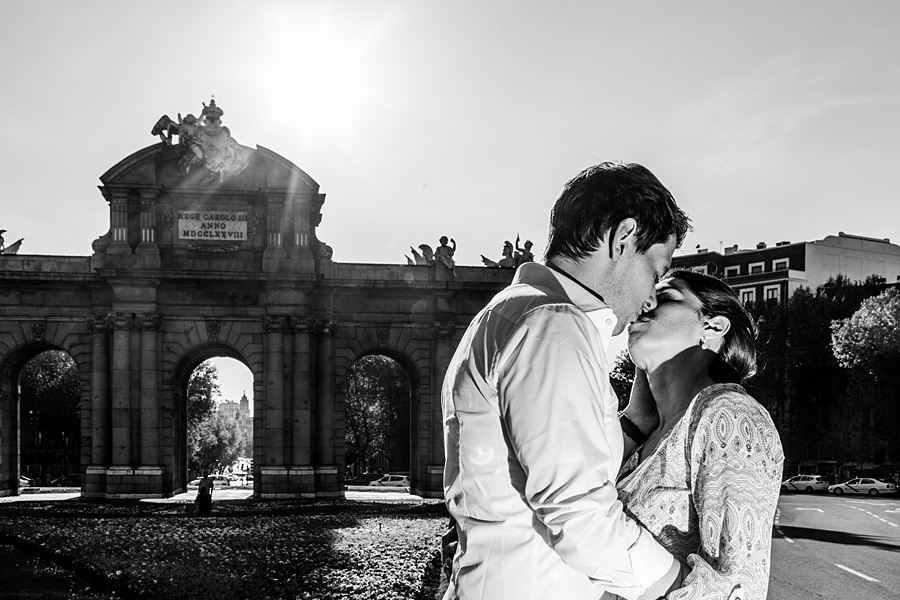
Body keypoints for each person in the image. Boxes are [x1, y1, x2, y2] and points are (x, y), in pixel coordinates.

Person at [441, 162, 691, 600]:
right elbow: (578, 514)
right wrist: (679, 586)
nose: (652, 295)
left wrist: (631, 423)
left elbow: (545, 464)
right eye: (656, 269)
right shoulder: (554, 326)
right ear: (624, 237)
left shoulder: (514, 312)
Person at [612, 270, 784, 600]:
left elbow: (736, 587)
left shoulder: (729, 415)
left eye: (665, 296)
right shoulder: (651, 433)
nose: (645, 301)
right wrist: (635, 421)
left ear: (713, 327)